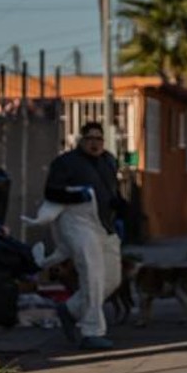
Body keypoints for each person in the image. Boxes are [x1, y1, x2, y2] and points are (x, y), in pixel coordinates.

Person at [42, 121, 128, 349]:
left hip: (104, 225)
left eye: (99, 139)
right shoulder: (65, 163)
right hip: (77, 222)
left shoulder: (109, 161)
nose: (95, 143)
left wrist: (120, 206)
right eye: (89, 138)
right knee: (92, 273)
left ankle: (70, 309)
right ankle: (92, 332)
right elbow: (50, 191)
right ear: (80, 140)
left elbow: (112, 191)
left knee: (111, 278)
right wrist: (74, 197)